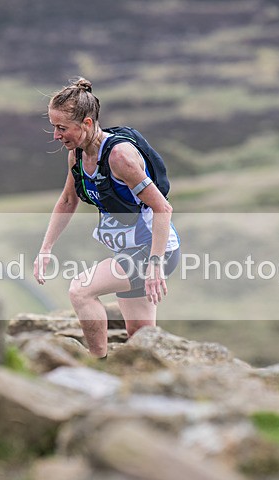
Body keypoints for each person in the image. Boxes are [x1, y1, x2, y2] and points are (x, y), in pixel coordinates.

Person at [33, 77, 181, 359]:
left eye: (62, 128)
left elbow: (163, 208)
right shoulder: (77, 156)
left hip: (153, 251)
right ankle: (150, 377)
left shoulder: (120, 157)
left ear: (87, 123)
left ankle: (98, 364)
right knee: (140, 338)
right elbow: (68, 200)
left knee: (81, 290)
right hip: (129, 251)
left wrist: (154, 264)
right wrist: (46, 248)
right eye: (53, 126)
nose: (55, 135)